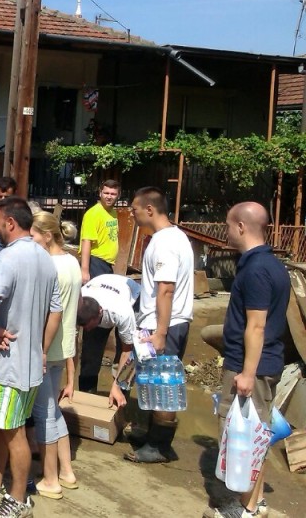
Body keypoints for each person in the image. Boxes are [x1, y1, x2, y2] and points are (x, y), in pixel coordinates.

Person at [205, 202, 289, 518]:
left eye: (228, 225)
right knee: (256, 432)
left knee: (247, 438)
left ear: (241, 226)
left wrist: (246, 373)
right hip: (260, 364)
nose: (226, 231)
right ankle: (254, 503)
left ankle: (247, 509)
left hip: (251, 367)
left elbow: (256, 324)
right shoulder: (268, 264)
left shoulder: (256, 270)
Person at [0, 196, 61, 518]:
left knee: (13, 433)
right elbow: (55, 310)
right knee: (3, 426)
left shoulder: (9, 257)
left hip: (6, 363)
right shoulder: (44, 257)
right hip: (28, 364)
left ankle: (17, 499)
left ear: (11, 223)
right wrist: (41, 348)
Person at [125, 186, 193, 464]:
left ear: (149, 209)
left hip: (165, 323)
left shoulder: (165, 242)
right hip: (160, 322)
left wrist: (160, 332)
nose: (132, 213)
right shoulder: (170, 237)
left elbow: (166, 289)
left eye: (134, 209)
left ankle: (160, 446)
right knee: (154, 381)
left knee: (164, 383)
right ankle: (153, 436)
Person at [28, 212, 80, 500]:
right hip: (64, 348)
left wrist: (41, 350)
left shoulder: (48, 266)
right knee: (52, 410)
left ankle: (50, 479)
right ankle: (67, 472)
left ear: (47, 236)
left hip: (47, 349)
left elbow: (51, 313)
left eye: (34, 234)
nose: (31, 240)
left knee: (44, 413)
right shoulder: (71, 261)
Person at [77, 179, 121, 393]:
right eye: (106, 193)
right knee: (94, 320)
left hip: (107, 266)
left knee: (103, 319)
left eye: (113, 193)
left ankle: (94, 380)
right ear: (100, 192)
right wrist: (85, 270)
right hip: (95, 264)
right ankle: (87, 384)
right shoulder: (93, 213)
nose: (109, 196)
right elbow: (86, 241)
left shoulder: (113, 213)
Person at [75, 273, 142, 409]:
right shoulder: (76, 303)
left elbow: (127, 351)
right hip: (100, 283)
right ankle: (87, 398)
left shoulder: (122, 312)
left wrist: (117, 384)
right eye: (84, 327)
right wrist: (70, 382)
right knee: (90, 354)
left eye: (90, 326)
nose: (86, 330)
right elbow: (71, 346)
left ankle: (120, 400)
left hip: (132, 297)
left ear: (100, 313)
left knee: (123, 360)